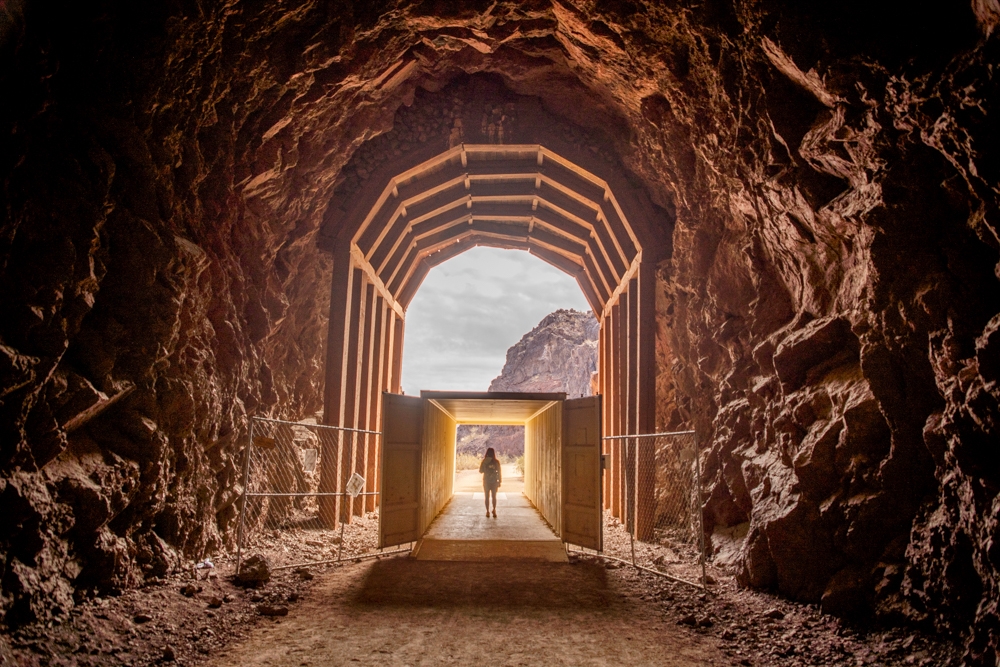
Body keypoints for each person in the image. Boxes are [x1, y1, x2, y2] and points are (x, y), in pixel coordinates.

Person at [479, 447, 502, 518]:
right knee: (494, 497)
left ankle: (487, 511)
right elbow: (499, 472)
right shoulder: (496, 462)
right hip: (494, 481)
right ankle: (494, 510)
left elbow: (480, 471)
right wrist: (499, 481)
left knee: (486, 497)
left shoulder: (484, 461)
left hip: (486, 481)